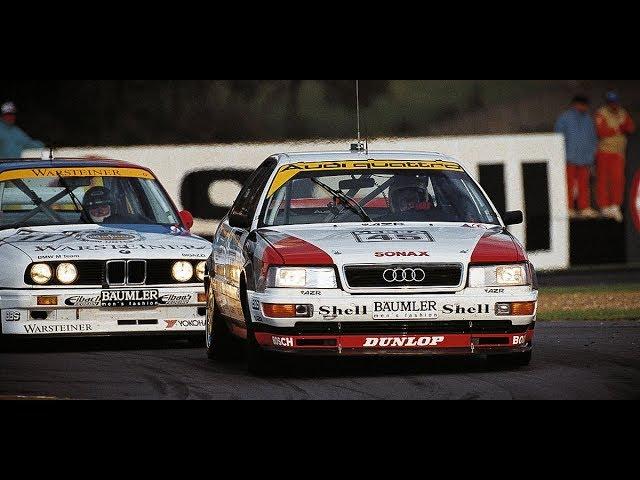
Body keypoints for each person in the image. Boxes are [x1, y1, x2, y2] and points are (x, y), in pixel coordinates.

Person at [554, 95, 599, 219]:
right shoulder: (564, 118)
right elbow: (558, 138)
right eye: (581, 104)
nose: (583, 107)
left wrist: (591, 155)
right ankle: (568, 208)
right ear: (575, 104)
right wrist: (561, 155)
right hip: (569, 157)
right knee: (568, 184)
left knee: (584, 184)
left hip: (584, 159)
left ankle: (584, 207)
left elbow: (593, 138)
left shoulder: (588, 120)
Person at [595, 91, 636, 223]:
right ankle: (604, 206)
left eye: (615, 102)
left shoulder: (622, 113)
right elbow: (601, 131)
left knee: (617, 179)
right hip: (604, 151)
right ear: (607, 103)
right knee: (603, 179)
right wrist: (617, 129)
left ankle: (615, 205)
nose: (614, 105)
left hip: (618, 152)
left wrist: (620, 128)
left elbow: (630, 127)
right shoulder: (601, 113)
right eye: (611, 102)